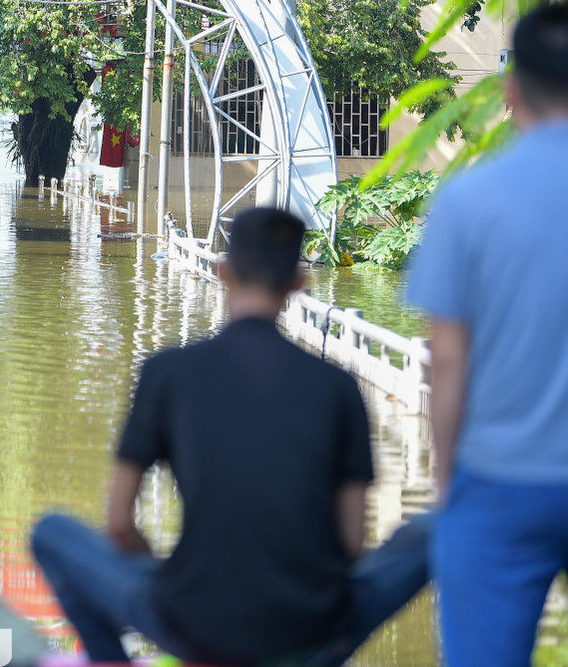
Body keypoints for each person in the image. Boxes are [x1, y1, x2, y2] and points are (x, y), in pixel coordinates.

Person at [33, 207, 429, 666]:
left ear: (222, 273)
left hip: (193, 625)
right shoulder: (338, 387)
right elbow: (352, 545)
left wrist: (165, 576)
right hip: (312, 629)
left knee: (52, 532)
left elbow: (119, 523)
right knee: (430, 530)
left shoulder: (167, 372)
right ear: (299, 283)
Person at [404, 2, 568, 667]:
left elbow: (449, 362)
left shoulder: (469, 201)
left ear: (510, 88)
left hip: (499, 483)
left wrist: (449, 489)